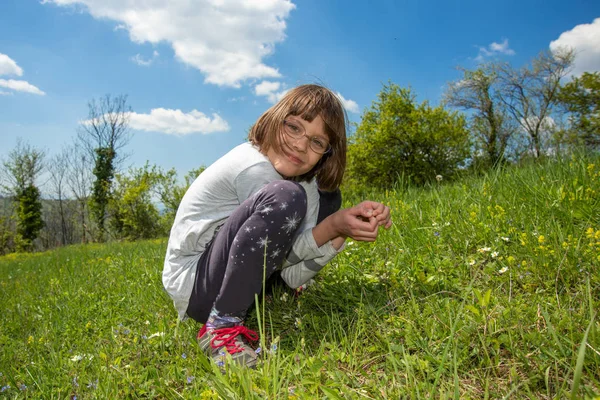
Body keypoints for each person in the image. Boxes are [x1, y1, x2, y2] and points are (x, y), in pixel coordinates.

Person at [162, 84, 392, 368]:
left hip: (237, 274)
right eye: (294, 127)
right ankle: (221, 328)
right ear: (274, 118)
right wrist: (331, 226)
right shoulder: (254, 167)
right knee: (286, 197)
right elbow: (284, 255)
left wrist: (339, 232)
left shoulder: (303, 184)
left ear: (326, 155)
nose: (300, 145)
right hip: (197, 284)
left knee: (327, 197)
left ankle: (251, 303)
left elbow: (292, 274)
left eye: (317, 143)